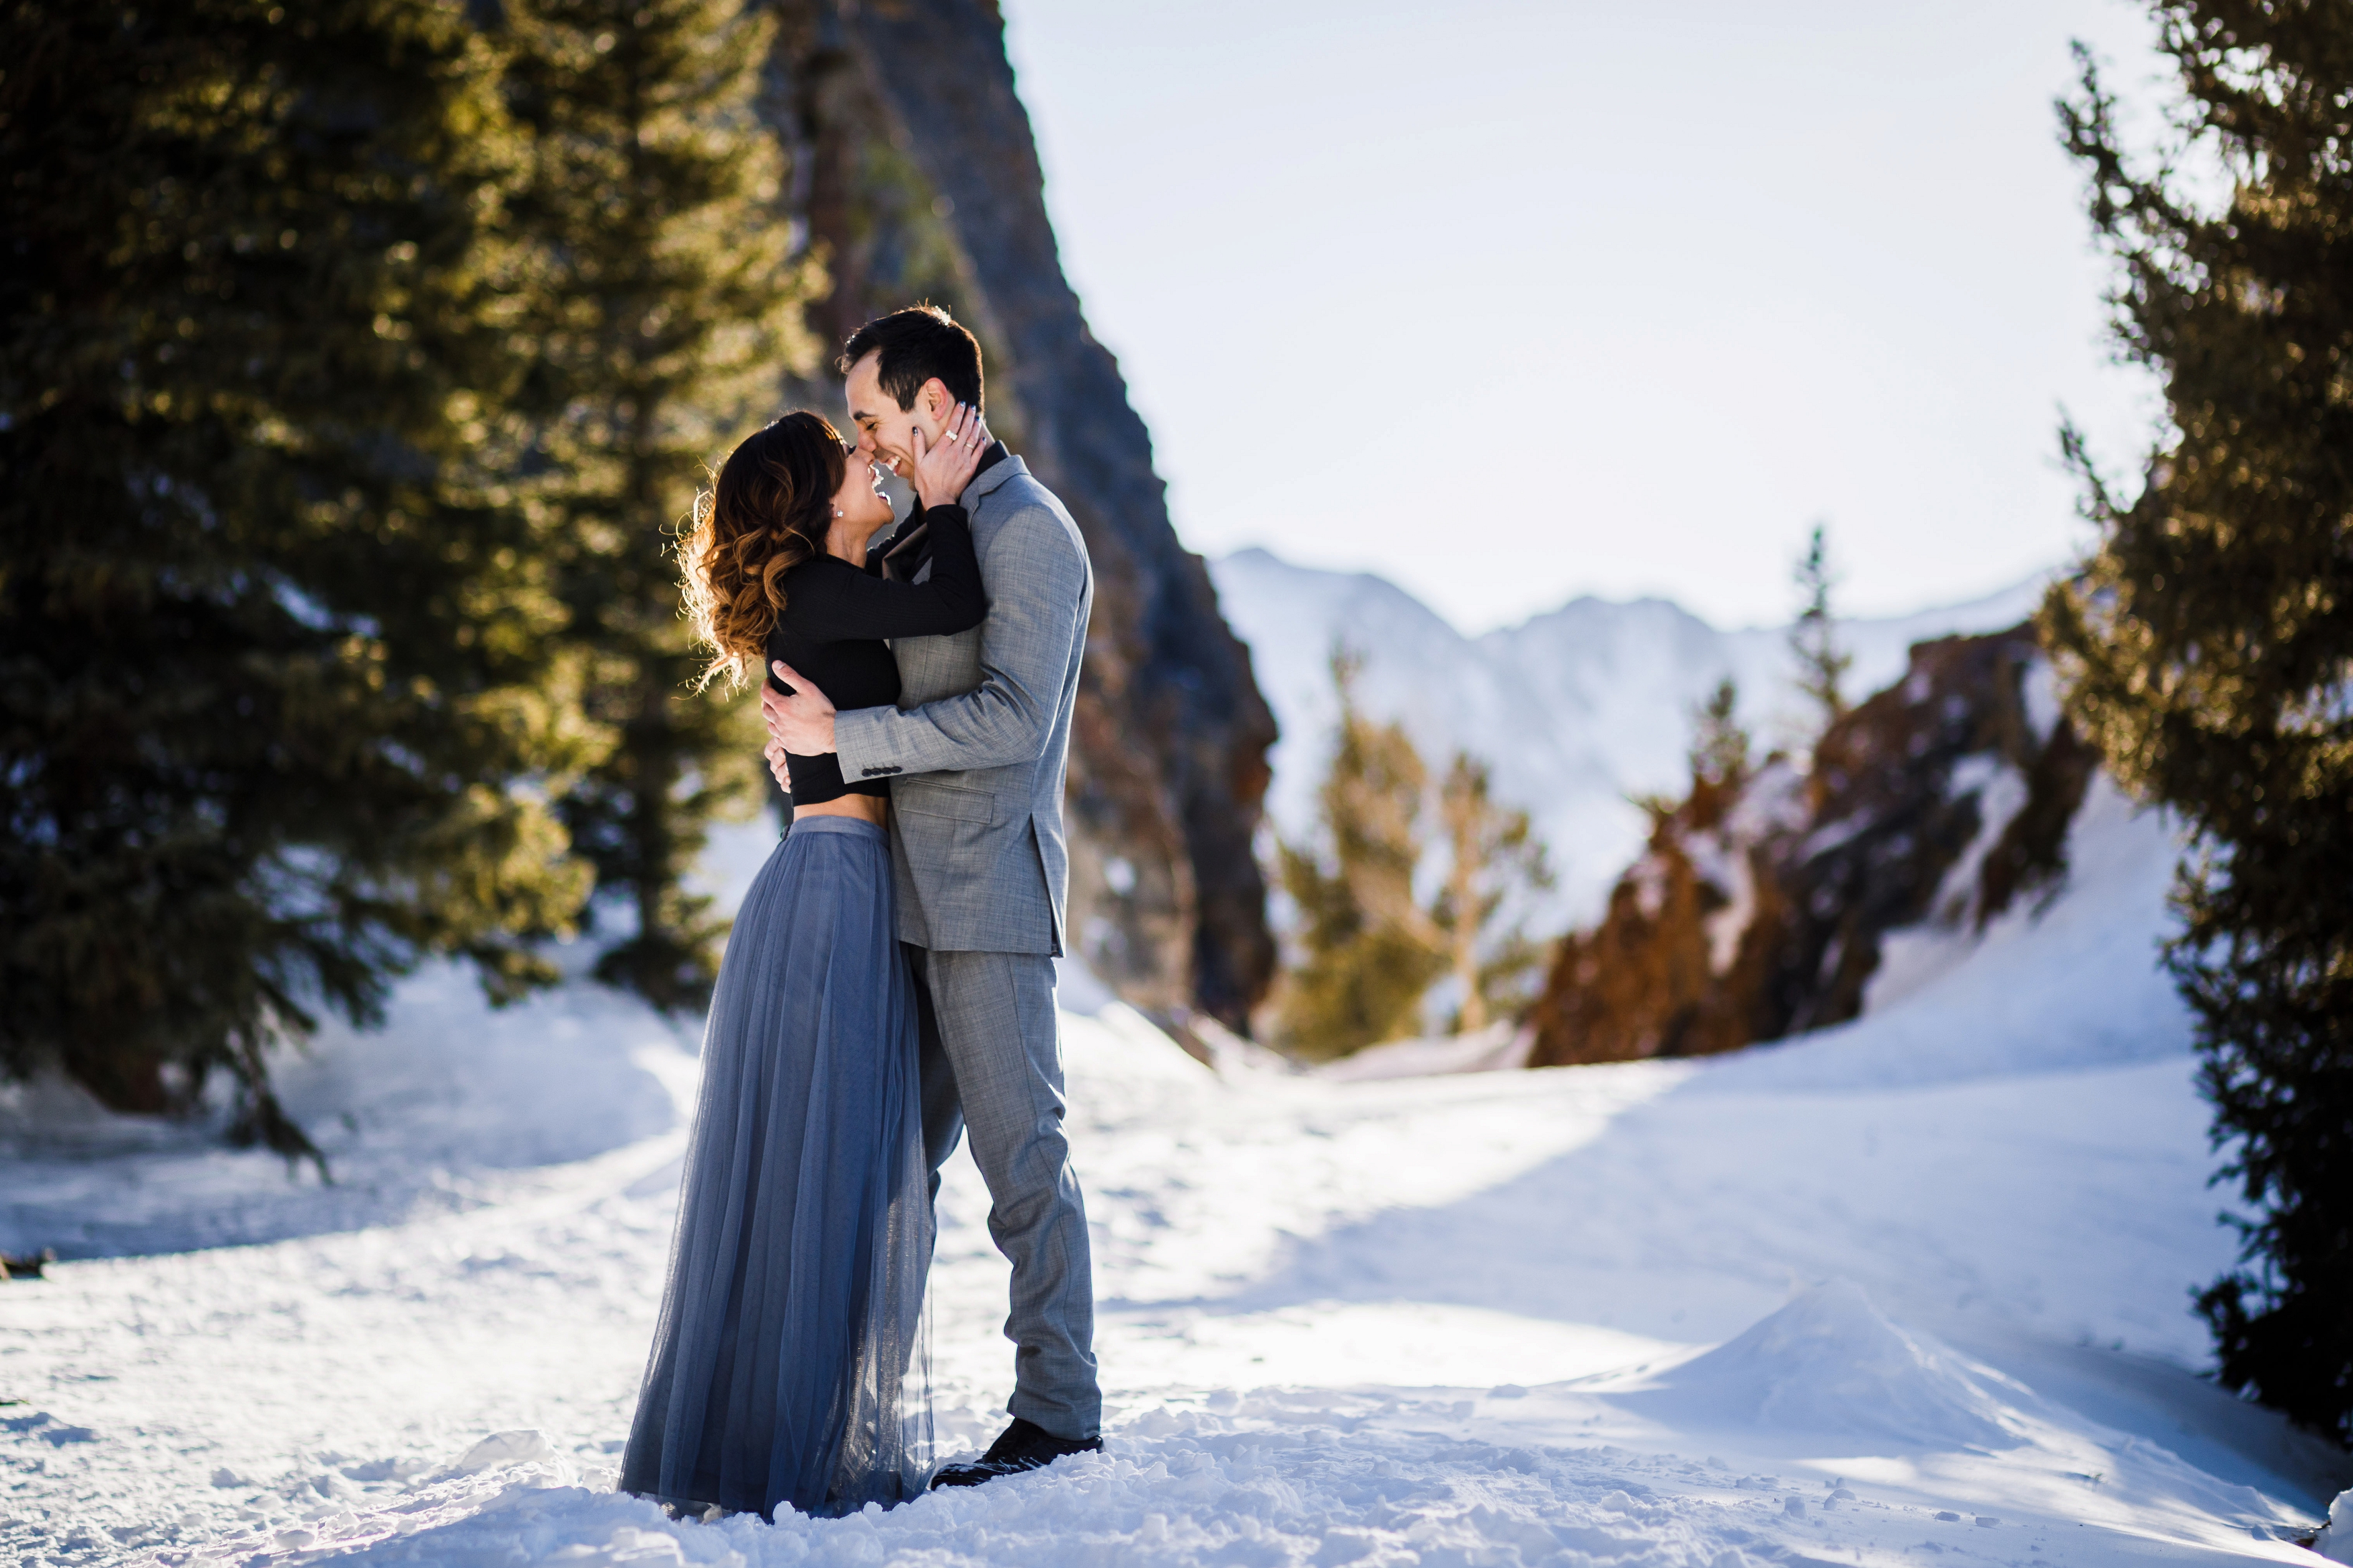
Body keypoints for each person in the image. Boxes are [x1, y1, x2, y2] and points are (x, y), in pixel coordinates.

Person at [620, 401, 991, 1518]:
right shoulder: (820, 589)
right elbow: (960, 604)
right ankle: (802, 1452)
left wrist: (909, 506)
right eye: (848, 455)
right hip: (834, 891)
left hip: (836, 880)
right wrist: (943, 491)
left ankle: (794, 1437)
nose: (866, 455)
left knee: (817, 1171)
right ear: (807, 496)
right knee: (827, 1167)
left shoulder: (827, 590)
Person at [761, 304, 1103, 1488]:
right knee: (889, 1170)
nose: (869, 441)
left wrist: (846, 738)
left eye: (873, 418)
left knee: (1025, 1165)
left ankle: (1059, 1413)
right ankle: (848, 1411)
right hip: (902, 901)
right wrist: (809, 747)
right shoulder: (934, 526)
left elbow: (1012, 720)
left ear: (934, 407)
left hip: (990, 902)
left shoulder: (1033, 535)